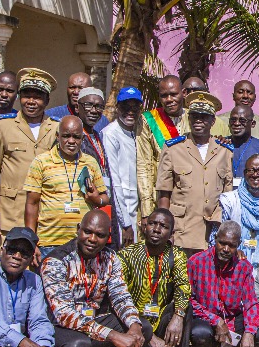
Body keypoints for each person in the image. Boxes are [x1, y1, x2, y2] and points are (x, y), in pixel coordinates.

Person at [37, 210, 152, 347]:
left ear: (108, 237)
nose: (92, 239)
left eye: (99, 235)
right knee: (79, 346)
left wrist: (133, 325)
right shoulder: (56, 261)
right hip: (57, 327)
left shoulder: (110, 258)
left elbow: (120, 295)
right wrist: (114, 336)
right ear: (78, 230)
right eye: (87, 232)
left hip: (91, 322)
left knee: (143, 327)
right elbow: (65, 315)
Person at [118, 208, 193, 347]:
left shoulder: (176, 255)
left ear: (171, 233)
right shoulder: (128, 255)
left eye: (163, 226)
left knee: (185, 307)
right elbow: (119, 297)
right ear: (144, 226)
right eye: (153, 224)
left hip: (160, 320)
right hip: (136, 323)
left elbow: (184, 286)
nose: (157, 229)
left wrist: (178, 316)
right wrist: (149, 337)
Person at [187, 221, 259, 347]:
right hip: (205, 317)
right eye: (222, 243)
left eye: (231, 245)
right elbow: (189, 299)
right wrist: (215, 320)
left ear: (238, 245)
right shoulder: (196, 262)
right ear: (215, 239)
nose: (225, 249)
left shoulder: (243, 267)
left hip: (231, 318)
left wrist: (249, 332)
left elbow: (251, 303)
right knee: (199, 334)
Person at [155, 91, 234, 255]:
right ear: (188, 119)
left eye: (204, 117)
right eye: (194, 116)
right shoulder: (173, 149)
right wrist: (165, 228)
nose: (198, 121)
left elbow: (228, 195)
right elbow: (164, 193)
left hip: (213, 233)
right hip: (182, 231)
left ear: (212, 121)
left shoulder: (224, 151)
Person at [24, 116, 110, 256]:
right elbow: (32, 203)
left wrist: (97, 200)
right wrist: (31, 241)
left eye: (76, 137)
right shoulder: (41, 162)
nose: (71, 141)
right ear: (58, 136)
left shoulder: (90, 162)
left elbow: (105, 198)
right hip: (49, 242)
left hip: (81, 243)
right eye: (66, 136)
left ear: (82, 138)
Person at [0, 68, 59, 238]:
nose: (31, 101)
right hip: (10, 215)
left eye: (37, 97)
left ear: (47, 100)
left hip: (45, 216)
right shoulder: (2, 126)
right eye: (27, 96)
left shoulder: (57, 129)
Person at [74, 87, 122, 247]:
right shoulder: (74, 137)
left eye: (99, 107)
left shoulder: (98, 135)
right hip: (85, 205)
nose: (94, 111)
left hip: (103, 202)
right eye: (89, 105)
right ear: (77, 107)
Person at [137, 74, 186, 220]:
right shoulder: (148, 120)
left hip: (187, 199)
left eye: (173, 94)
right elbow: (143, 165)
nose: (169, 100)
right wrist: (146, 211)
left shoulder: (193, 118)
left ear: (183, 93)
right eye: (164, 96)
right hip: (158, 197)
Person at [102, 86, 142, 246]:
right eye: (126, 106)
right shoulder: (111, 134)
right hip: (122, 215)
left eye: (135, 107)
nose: (130, 111)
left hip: (138, 211)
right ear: (118, 107)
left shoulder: (140, 132)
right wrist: (126, 224)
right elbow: (114, 182)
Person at [228, 104, 259, 178]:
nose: (237, 123)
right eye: (233, 120)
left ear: (253, 124)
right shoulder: (221, 145)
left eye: (242, 120)